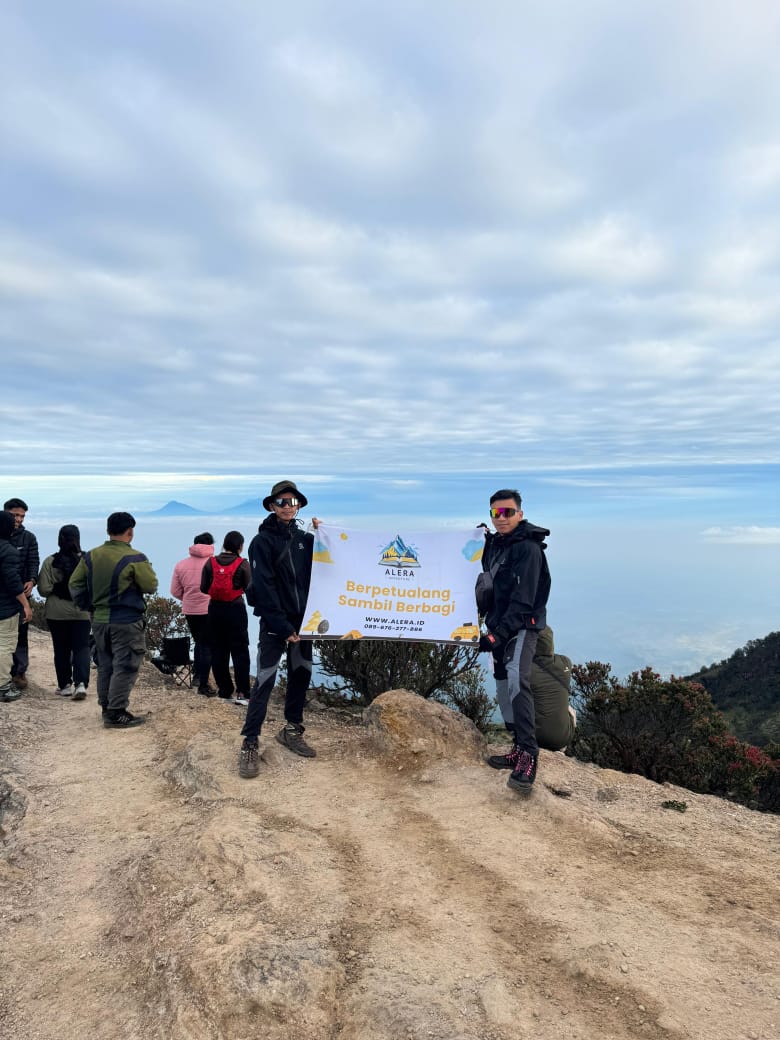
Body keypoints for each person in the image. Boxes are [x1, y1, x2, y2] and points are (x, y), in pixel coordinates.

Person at [238, 480, 316, 779]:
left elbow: (326, 568)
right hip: (275, 623)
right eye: (282, 502)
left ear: (298, 506)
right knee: (265, 681)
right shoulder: (262, 542)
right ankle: (250, 741)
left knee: (301, 673)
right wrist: (283, 626)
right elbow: (264, 586)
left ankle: (292, 729)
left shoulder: (305, 540)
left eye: (292, 501)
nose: (288, 506)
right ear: (272, 506)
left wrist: (324, 535)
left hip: (304, 622)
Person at [477, 488, 551, 796]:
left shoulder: (528, 550)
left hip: (521, 627)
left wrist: (496, 635)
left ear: (519, 514)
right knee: (503, 686)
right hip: (499, 625)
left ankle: (529, 757)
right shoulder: (496, 545)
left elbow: (523, 602)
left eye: (507, 512)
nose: (501, 518)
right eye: (496, 513)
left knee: (518, 682)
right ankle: (516, 749)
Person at [69, 512, 158, 728]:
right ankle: (117, 712)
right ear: (130, 532)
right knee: (126, 665)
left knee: (106, 664)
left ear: (108, 531)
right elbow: (151, 586)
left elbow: (75, 584)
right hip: (126, 621)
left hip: (99, 620)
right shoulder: (135, 558)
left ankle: (106, 707)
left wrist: (88, 606)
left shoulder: (90, 556)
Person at [486, 625, 575, 767]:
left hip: (531, 737)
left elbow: (505, 697)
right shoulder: (566, 662)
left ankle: (523, 746)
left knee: (515, 697)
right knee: (568, 708)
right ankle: (558, 750)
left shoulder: (519, 669)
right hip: (563, 738)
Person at [37, 525, 92, 700]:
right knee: (82, 648)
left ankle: (64, 685)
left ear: (59, 539)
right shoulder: (87, 561)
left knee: (61, 648)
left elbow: (44, 589)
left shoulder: (50, 561)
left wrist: (58, 588)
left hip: (56, 613)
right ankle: (81, 684)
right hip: (81, 612)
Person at [200, 531, 251, 704]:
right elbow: (250, 588)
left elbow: (203, 588)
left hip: (214, 610)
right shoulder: (242, 564)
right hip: (235, 610)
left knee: (218, 651)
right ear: (240, 546)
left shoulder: (211, 562)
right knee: (240, 652)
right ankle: (243, 693)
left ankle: (224, 690)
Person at [170, 532, 216, 696]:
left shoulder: (181, 565)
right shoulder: (215, 563)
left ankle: (198, 675)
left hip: (190, 610)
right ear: (211, 545)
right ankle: (202, 679)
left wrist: (188, 598)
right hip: (210, 608)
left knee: (199, 642)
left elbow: (174, 591)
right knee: (208, 644)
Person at [3, 498, 39, 691]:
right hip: (5, 592)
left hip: (22, 593)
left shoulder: (29, 538)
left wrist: (32, 580)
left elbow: (34, 561)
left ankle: (19, 672)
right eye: (15, 515)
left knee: (21, 634)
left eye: (22, 516)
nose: (18, 519)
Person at [1, 510, 33, 702]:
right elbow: (13, 582)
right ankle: (3, 686)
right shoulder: (9, 551)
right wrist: (25, 605)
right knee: (5, 646)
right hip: (5, 609)